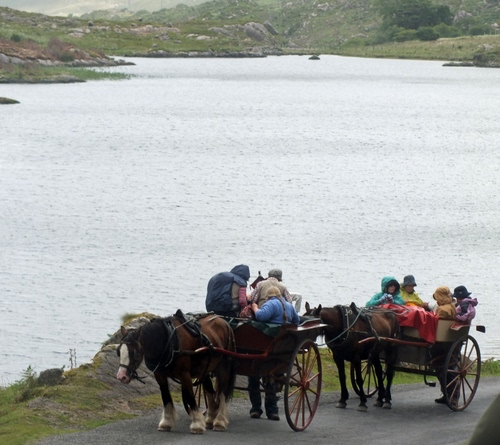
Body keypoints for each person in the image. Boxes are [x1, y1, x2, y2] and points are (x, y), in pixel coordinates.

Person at [247, 286, 300, 421]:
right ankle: (272, 411)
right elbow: (297, 321)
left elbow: (260, 316)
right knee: (271, 378)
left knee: (253, 376)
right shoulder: (289, 306)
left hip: (267, 346)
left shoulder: (271, 304)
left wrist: (254, 307)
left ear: (268, 297)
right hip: (281, 349)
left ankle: (256, 408)